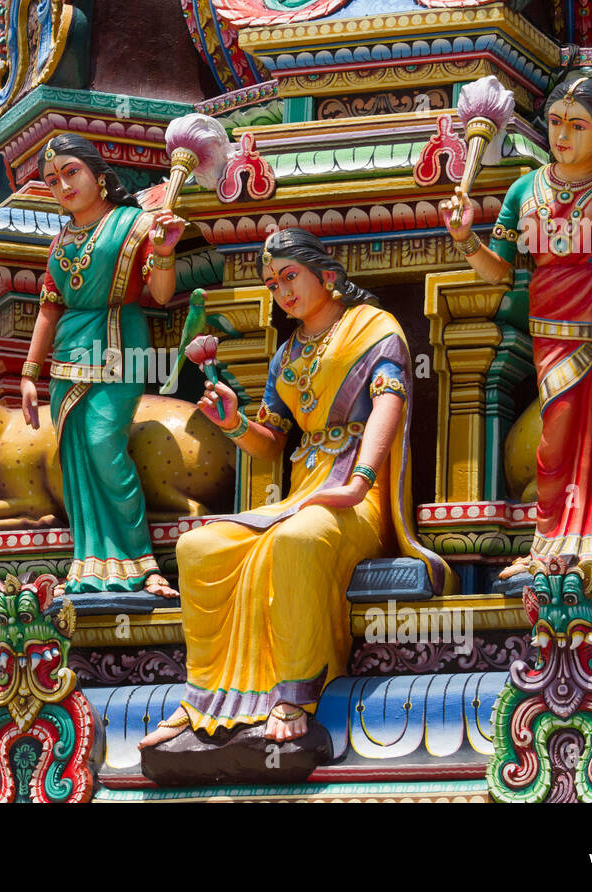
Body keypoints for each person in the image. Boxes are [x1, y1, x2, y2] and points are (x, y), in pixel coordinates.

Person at [139, 229, 451, 746]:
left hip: (356, 500)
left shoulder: (374, 329)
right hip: (301, 494)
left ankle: (293, 695)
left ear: (326, 277)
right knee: (197, 546)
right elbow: (271, 442)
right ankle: (203, 697)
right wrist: (233, 422)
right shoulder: (287, 355)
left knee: (297, 541)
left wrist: (358, 483)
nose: (283, 292)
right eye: (272, 284)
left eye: (290, 277)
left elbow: (388, 406)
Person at [439, 76, 592, 578]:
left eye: (576, 125)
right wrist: (464, 238)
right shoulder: (524, 189)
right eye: (554, 123)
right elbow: (500, 270)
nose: (561, 135)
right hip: (550, 325)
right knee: (557, 432)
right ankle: (548, 543)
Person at [19, 134, 185, 595]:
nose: (63, 185)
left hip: (119, 345)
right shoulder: (60, 242)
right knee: (74, 458)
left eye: (71, 172)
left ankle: (143, 564)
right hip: (68, 356)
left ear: (99, 175)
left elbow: (161, 295)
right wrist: (30, 374)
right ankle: (91, 561)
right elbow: (50, 308)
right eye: (52, 180)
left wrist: (165, 250)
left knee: (102, 445)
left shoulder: (133, 225)